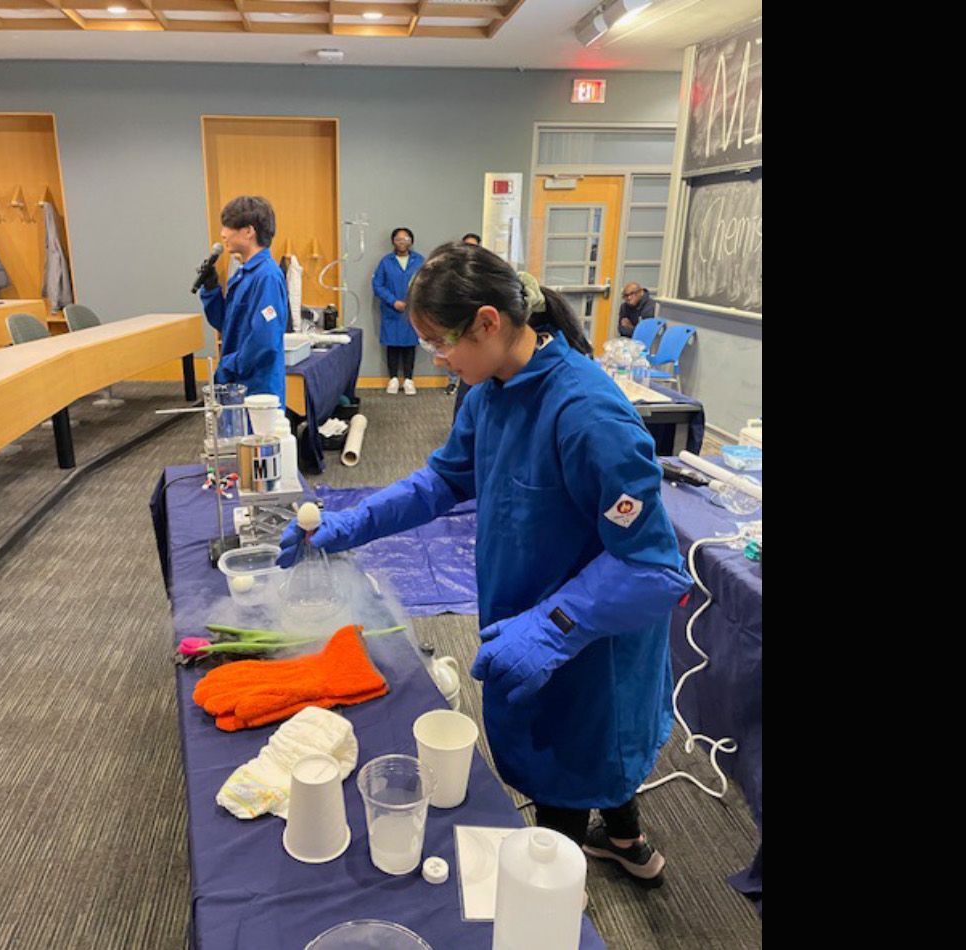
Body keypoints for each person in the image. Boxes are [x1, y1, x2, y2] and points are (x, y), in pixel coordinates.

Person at [277, 242, 691, 888]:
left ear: (489, 323)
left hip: (590, 645)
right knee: (576, 758)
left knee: (570, 773)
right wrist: (348, 526)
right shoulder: (489, 389)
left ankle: (556, 893)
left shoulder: (586, 414)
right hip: (531, 615)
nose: (436, 359)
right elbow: (440, 483)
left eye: (441, 344)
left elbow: (655, 570)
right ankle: (626, 834)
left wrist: (553, 625)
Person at [198, 196, 288, 408]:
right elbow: (226, 324)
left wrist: (229, 365)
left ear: (249, 231)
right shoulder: (244, 274)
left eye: (228, 227)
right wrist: (211, 291)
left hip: (257, 388)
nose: (222, 234)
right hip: (238, 382)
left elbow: (264, 340)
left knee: (256, 440)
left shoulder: (267, 277)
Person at [372, 227, 424, 395]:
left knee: (410, 345)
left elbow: (426, 283)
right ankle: (393, 378)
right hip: (391, 310)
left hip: (411, 310)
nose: (402, 242)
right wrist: (393, 301)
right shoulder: (386, 262)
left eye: (406, 239)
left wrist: (411, 301)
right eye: (399, 239)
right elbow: (378, 285)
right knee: (392, 345)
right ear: (393, 241)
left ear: (411, 241)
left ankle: (409, 379)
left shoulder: (419, 260)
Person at [447, 234, 483, 397]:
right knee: (454, 351)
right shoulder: (453, 267)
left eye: (473, 246)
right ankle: (452, 383)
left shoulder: (483, 268)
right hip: (457, 316)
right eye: (467, 245)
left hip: (475, 317)